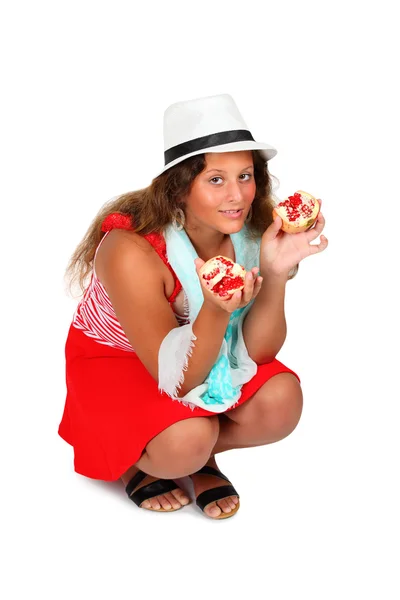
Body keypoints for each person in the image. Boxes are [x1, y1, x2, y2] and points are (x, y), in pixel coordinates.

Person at [59, 93, 328, 520]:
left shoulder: (249, 233)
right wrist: (217, 309)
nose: (237, 195)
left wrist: (274, 274)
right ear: (179, 187)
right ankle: (136, 459)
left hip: (205, 353)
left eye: (245, 175)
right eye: (216, 179)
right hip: (119, 360)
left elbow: (258, 353)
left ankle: (192, 450)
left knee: (282, 401)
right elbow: (178, 382)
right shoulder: (129, 249)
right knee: (186, 439)